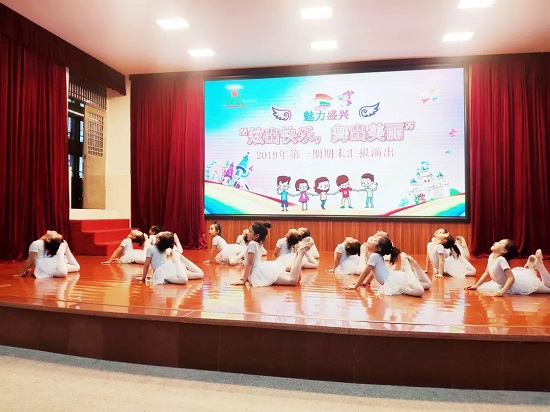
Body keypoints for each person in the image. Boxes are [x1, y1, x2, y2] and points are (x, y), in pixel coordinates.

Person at [346, 234, 430, 296]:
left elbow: (365, 272)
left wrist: (356, 286)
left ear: (378, 248)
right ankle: (413, 265)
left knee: (419, 291)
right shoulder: (376, 256)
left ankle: (407, 267)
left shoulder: (375, 256)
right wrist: (365, 283)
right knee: (427, 284)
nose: (371, 239)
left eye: (374, 240)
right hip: (394, 278)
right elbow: (372, 272)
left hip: (393, 280)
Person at [233, 222, 313, 287]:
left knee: (292, 280)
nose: (247, 233)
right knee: (296, 279)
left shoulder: (252, 244)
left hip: (260, 271)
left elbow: (249, 264)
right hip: (263, 268)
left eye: (250, 231)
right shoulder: (258, 243)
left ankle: (300, 253)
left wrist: (244, 280)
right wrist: (247, 277)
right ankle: (298, 254)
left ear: (257, 235)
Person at [465, 240, 550, 296]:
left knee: (548, 289)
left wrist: (502, 292)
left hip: (518, 284)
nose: (496, 242)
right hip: (504, 284)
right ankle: (529, 269)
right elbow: (486, 273)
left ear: (504, 251)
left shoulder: (501, 260)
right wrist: (476, 285)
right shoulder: (491, 256)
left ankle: (540, 266)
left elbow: (511, 278)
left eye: (500, 243)